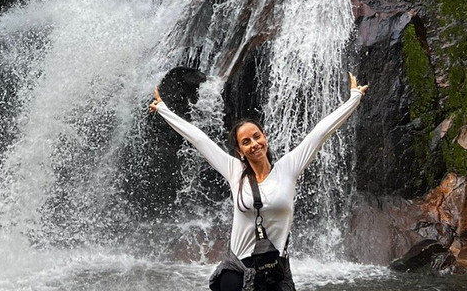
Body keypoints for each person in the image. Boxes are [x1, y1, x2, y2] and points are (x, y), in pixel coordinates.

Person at [148, 73, 368, 291]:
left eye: (256, 136)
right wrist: (163, 109)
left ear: (265, 137)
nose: (254, 144)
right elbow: (198, 139)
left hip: (273, 273)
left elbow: (320, 133)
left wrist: (353, 98)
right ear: (240, 151)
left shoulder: (288, 168)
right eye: (246, 142)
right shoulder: (234, 170)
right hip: (237, 273)